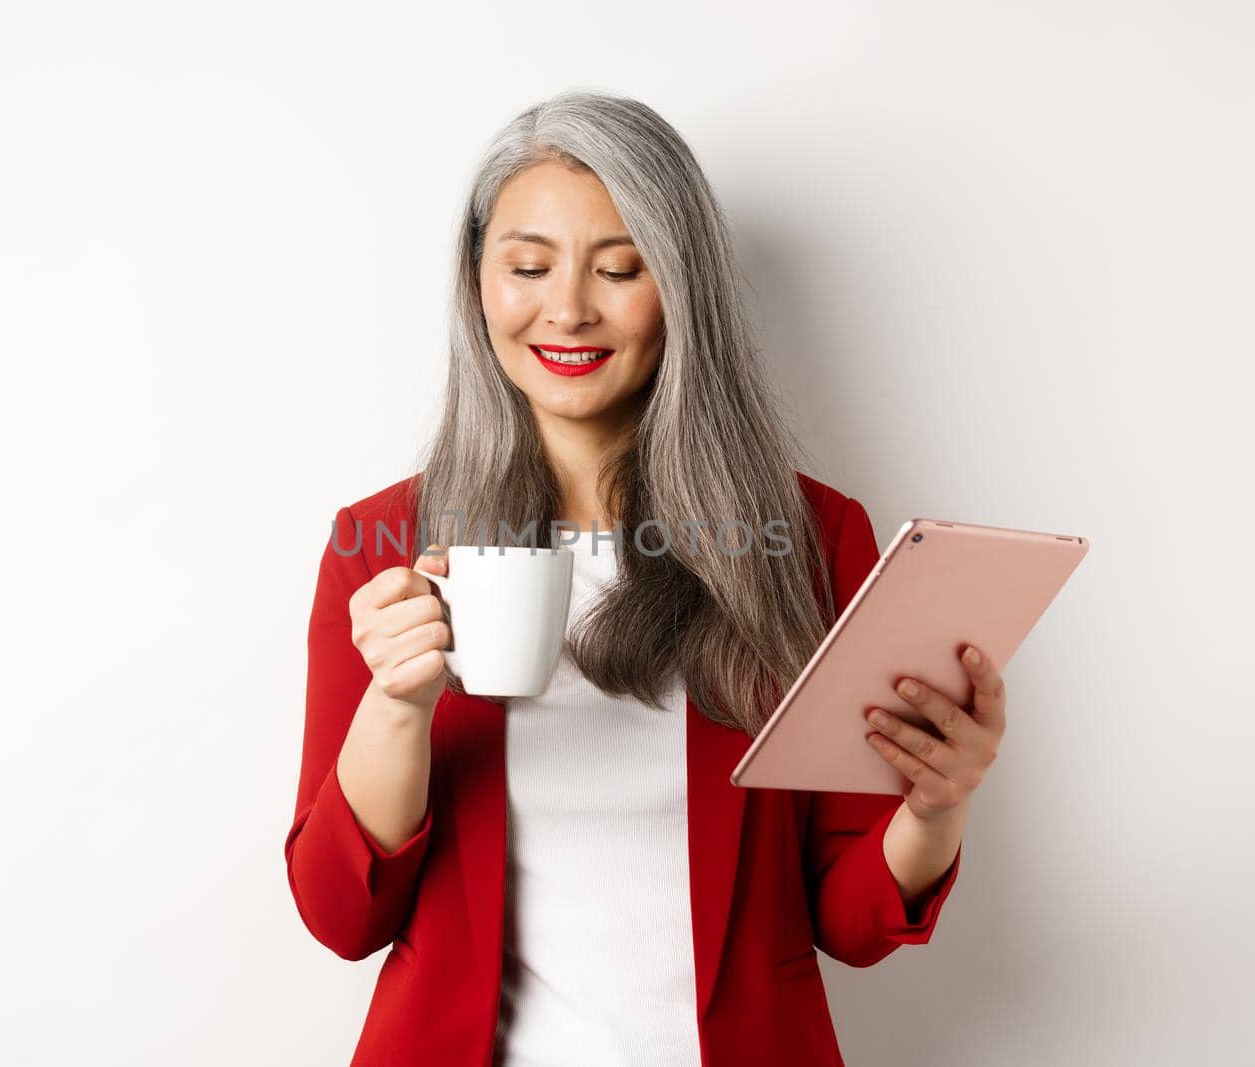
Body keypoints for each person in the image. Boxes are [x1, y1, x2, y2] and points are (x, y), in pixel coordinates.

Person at [283, 90, 1007, 1067]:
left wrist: (932, 806)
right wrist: (398, 704)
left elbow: (850, 918)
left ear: (682, 287)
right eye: (528, 265)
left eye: (620, 268)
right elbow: (341, 915)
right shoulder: (379, 541)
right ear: (477, 284)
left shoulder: (811, 535)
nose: (568, 307)